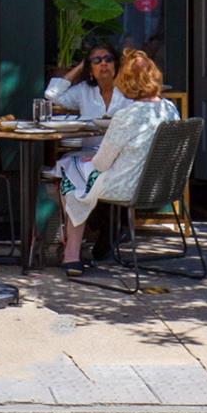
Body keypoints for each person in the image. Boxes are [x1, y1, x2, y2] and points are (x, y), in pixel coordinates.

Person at [51, 49, 178, 277]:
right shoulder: (169, 109)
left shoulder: (127, 115)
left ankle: (71, 253)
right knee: (76, 168)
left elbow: (100, 164)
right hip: (161, 185)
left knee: (71, 174)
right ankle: (81, 243)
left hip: (126, 186)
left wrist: (93, 160)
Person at [43, 37, 134, 122]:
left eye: (108, 59)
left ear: (115, 65)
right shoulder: (83, 91)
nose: (103, 63)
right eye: (96, 60)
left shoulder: (128, 90)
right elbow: (51, 95)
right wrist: (80, 67)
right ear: (90, 70)